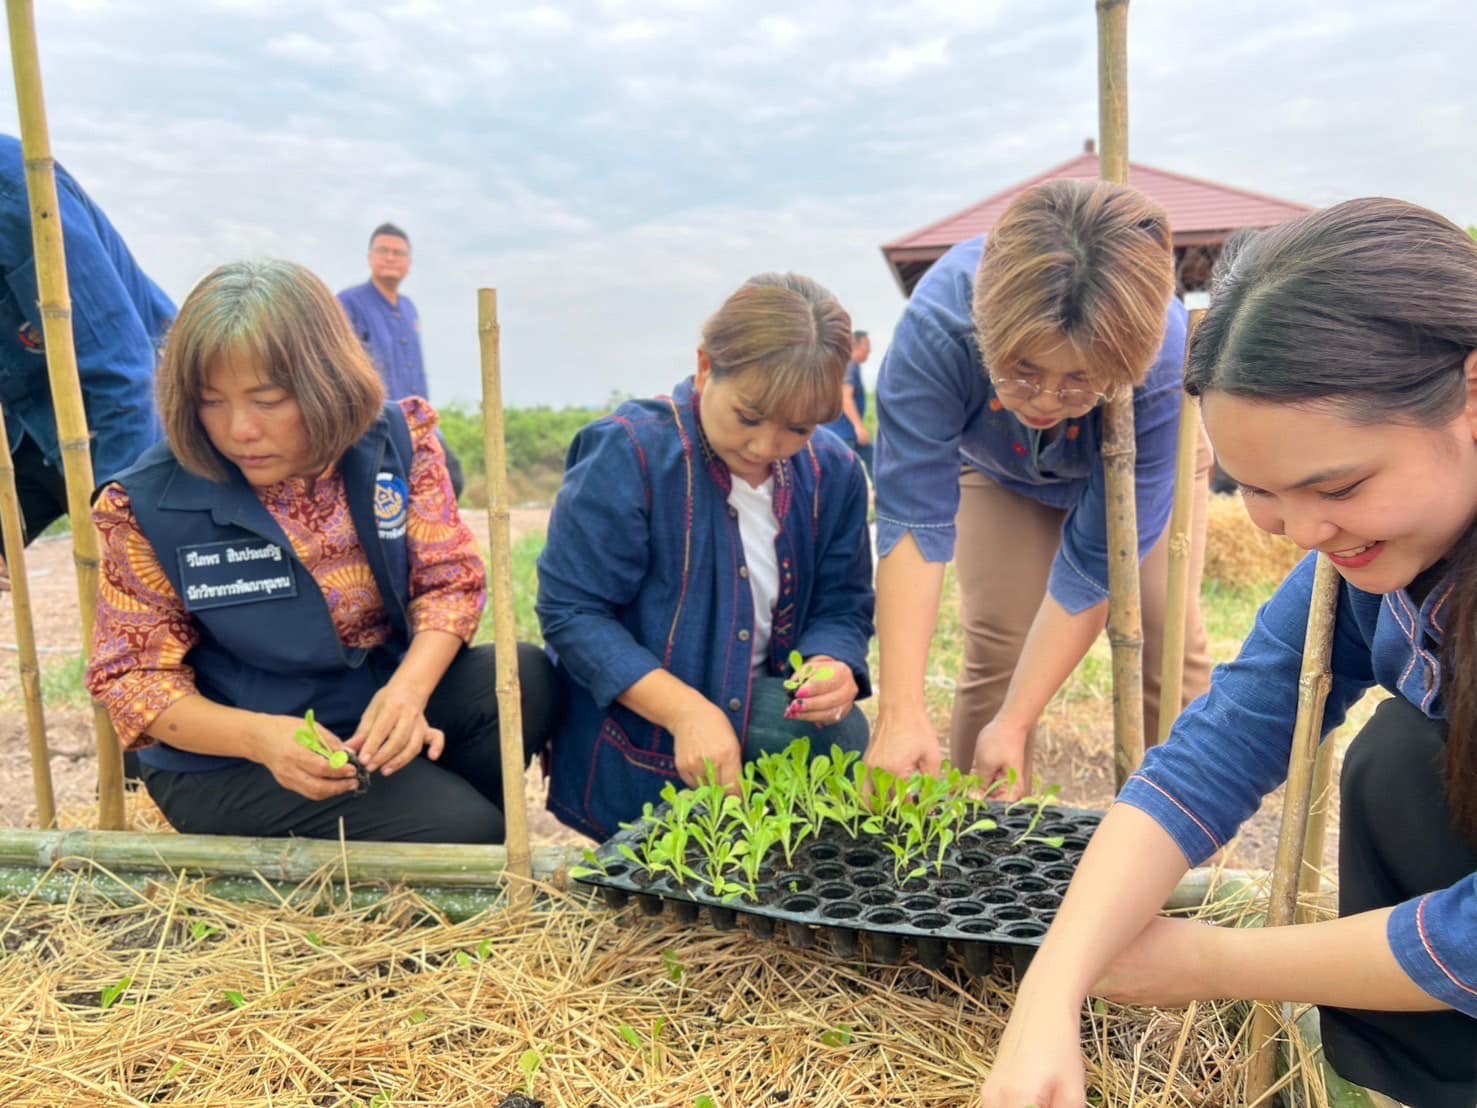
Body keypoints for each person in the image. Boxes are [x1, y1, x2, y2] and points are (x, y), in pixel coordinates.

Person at [982, 199, 1477, 1108]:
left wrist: (1214, 960)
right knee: (1403, 764)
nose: (1297, 532)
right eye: (1254, 490)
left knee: (1395, 765)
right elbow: (1219, 748)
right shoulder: (1356, 565)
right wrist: (1047, 992)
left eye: (1337, 485)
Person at [85, 259, 557, 843]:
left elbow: (448, 583)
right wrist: (261, 738)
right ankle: (450, 828)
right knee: (472, 837)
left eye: (269, 399)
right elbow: (133, 680)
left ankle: (438, 815)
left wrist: (407, 693)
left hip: (368, 711)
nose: (239, 431)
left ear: (326, 380)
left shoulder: (397, 445)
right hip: (233, 759)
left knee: (521, 675)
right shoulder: (145, 505)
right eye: (211, 401)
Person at [866, 179, 1212, 794]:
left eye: (1080, 380)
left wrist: (1020, 720)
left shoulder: (1159, 358)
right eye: (1022, 372)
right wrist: (901, 708)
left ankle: (1178, 842)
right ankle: (980, 838)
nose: (1049, 401)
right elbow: (914, 520)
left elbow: (1094, 566)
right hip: (1000, 470)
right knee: (999, 642)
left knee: (1168, 641)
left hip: (1128, 465)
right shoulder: (939, 327)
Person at [537, 273, 874, 840]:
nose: (766, 447)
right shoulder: (631, 453)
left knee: (835, 737)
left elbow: (844, 603)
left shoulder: (834, 471)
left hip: (764, 703)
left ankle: (770, 840)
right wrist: (686, 712)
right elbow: (573, 613)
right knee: (661, 851)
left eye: (797, 428)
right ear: (704, 367)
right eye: (748, 417)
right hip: (646, 715)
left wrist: (831, 663)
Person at [0, 133, 174, 556]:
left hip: (130, 420)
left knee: (150, 597)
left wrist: (121, 535)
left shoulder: (15, 191)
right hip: (27, 429)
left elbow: (124, 373)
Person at [337, 223, 463, 497]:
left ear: (409, 262)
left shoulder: (408, 308)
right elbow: (341, 365)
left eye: (399, 253)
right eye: (384, 251)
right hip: (378, 422)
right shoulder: (349, 303)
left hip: (418, 421)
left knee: (450, 478)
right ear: (370, 257)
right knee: (389, 496)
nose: (391, 258)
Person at [819, 330, 873, 476]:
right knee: (842, 472)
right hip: (843, 431)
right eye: (867, 346)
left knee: (871, 457)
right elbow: (846, 397)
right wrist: (859, 427)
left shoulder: (847, 365)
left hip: (843, 431)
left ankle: (879, 491)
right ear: (856, 346)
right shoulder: (850, 366)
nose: (869, 351)